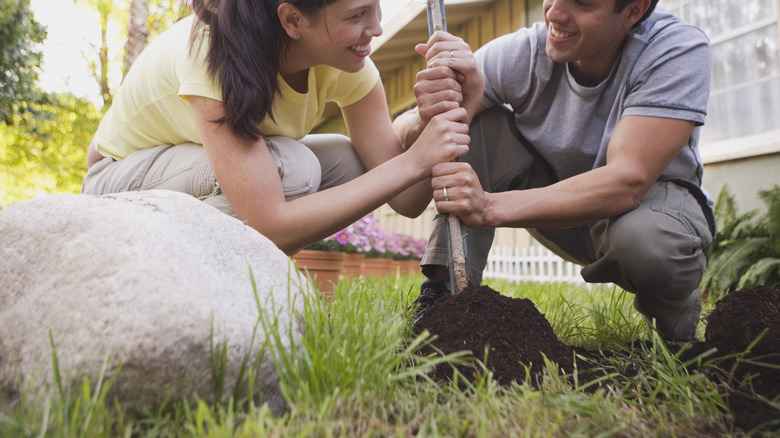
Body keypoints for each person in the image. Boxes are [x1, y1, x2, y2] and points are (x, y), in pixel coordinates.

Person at [395, 0, 715, 341]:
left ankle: (679, 343)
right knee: (469, 122)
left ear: (633, 11)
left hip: (645, 216)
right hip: (560, 211)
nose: (555, 13)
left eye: (582, 3)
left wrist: (487, 206)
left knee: (645, 241)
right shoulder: (523, 53)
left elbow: (627, 180)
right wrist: (429, 114)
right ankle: (443, 301)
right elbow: (400, 133)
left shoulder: (675, 49)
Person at [82, 0, 470, 255]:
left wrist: (432, 119)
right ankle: (195, 277)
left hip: (181, 172)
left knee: (348, 161)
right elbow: (269, 224)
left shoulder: (349, 63)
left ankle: (236, 276)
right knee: (295, 168)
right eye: (358, 15)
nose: (377, 28)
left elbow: (407, 199)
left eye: (376, 9)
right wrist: (414, 160)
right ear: (292, 19)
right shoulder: (213, 52)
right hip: (116, 179)